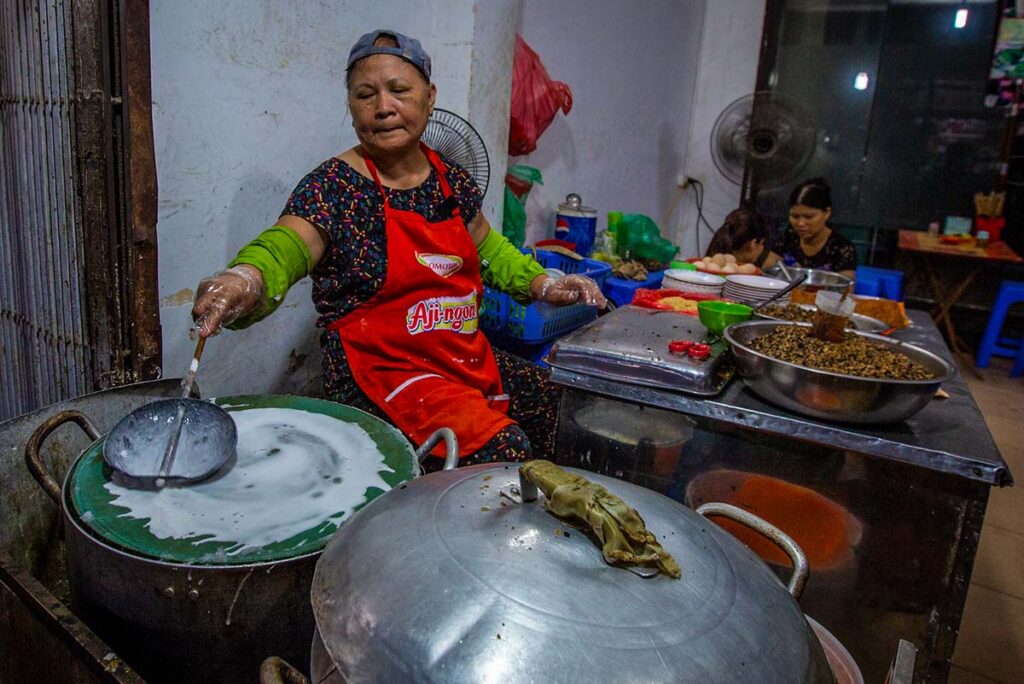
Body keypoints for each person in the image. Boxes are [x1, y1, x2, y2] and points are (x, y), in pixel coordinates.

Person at [191, 29, 605, 466]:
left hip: (456, 355)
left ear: (429, 98)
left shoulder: (450, 180)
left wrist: (542, 282)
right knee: (501, 447)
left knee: (558, 404)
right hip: (380, 373)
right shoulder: (333, 187)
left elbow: (488, 247)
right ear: (350, 107)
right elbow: (285, 246)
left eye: (399, 91)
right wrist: (245, 277)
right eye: (365, 94)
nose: (383, 107)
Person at [772, 177, 857, 277]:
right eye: (795, 216)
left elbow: (845, 289)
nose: (800, 223)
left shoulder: (842, 248)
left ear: (827, 213)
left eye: (808, 217)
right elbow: (772, 274)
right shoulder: (786, 239)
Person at [705, 207, 778, 268]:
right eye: (762, 244)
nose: (763, 250)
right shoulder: (734, 269)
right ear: (752, 245)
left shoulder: (717, 248)